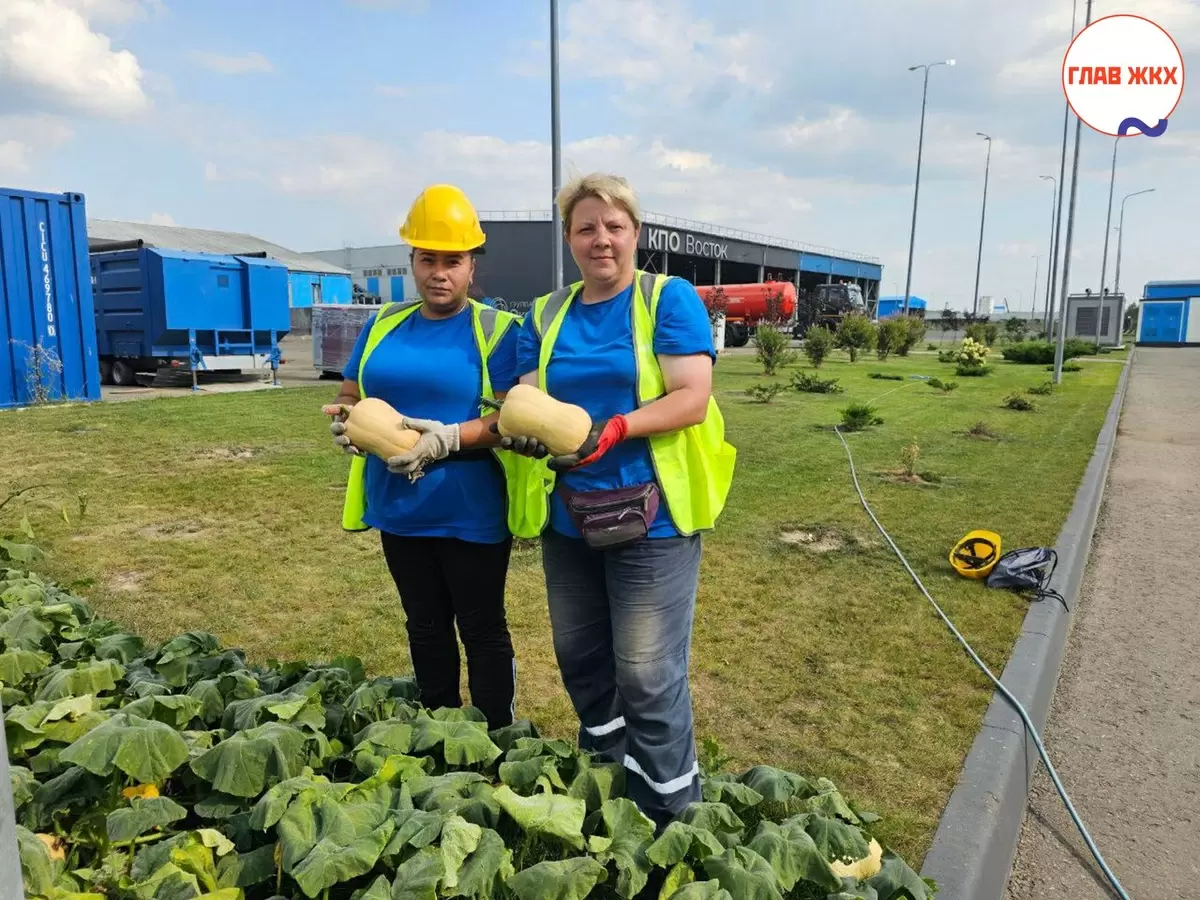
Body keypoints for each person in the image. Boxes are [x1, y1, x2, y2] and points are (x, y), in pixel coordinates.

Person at [494, 173, 737, 825]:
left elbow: (692, 397)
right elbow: (525, 400)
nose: (600, 238)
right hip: (569, 517)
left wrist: (617, 427)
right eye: (585, 227)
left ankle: (672, 815)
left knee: (647, 674)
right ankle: (608, 778)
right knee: (582, 660)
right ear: (569, 239)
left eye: (613, 225)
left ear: (635, 232)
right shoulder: (545, 315)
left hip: (651, 518)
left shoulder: (667, 299)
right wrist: (521, 437)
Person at [322, 184, 544, 731]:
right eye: (428, 259)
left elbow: (518, 416)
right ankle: (439, 728)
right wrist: (345, 422)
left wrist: (447, 438)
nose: (439, 272)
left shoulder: (499, 331)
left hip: (470, 506)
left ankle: (496, 736)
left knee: (482, 628)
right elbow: (351, 393)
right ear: (412, 262)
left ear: (472, 266)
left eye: (453, 260)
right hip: (399, 504)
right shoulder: (383, 324)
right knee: (423, 626)